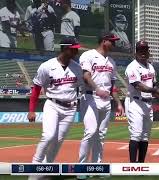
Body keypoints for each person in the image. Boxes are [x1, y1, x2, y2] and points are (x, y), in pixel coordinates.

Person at [27, 37, 82, 180]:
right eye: (73, 48)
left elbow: (82, 85)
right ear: (65, 48)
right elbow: (36, 89)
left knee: (58, 140)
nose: (76, 51)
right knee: (48, 136)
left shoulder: (77, 68)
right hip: (53, 105)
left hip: (70, 109)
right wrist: (31, 110)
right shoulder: (46, 66)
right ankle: (35, 166)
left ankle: (47, 169)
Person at [77, 31, 125, 179]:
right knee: (91, 131)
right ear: (104, 41)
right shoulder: (88, 55)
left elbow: (113, 86)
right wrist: (97, 89)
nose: (114, 43)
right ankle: (81, 168)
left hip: (106, 101)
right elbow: (86, 76)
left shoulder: (112, 61)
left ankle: (97, 167)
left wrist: (118, 103)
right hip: (91, 97)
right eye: (112, 41)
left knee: (101, 135)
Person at [125, 40, 159, 163]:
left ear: (148, 52)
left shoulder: (151, 67)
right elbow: (138, 86)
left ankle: (141, 164)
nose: (143, 52)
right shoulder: (132, 67)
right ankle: (133, 166)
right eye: (140, 50)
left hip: (148, 103)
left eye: (145, 50)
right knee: (136, 134)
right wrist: (156, 90)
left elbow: (153, 84)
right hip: (135, 102)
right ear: (136, 52)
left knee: (145, 136)